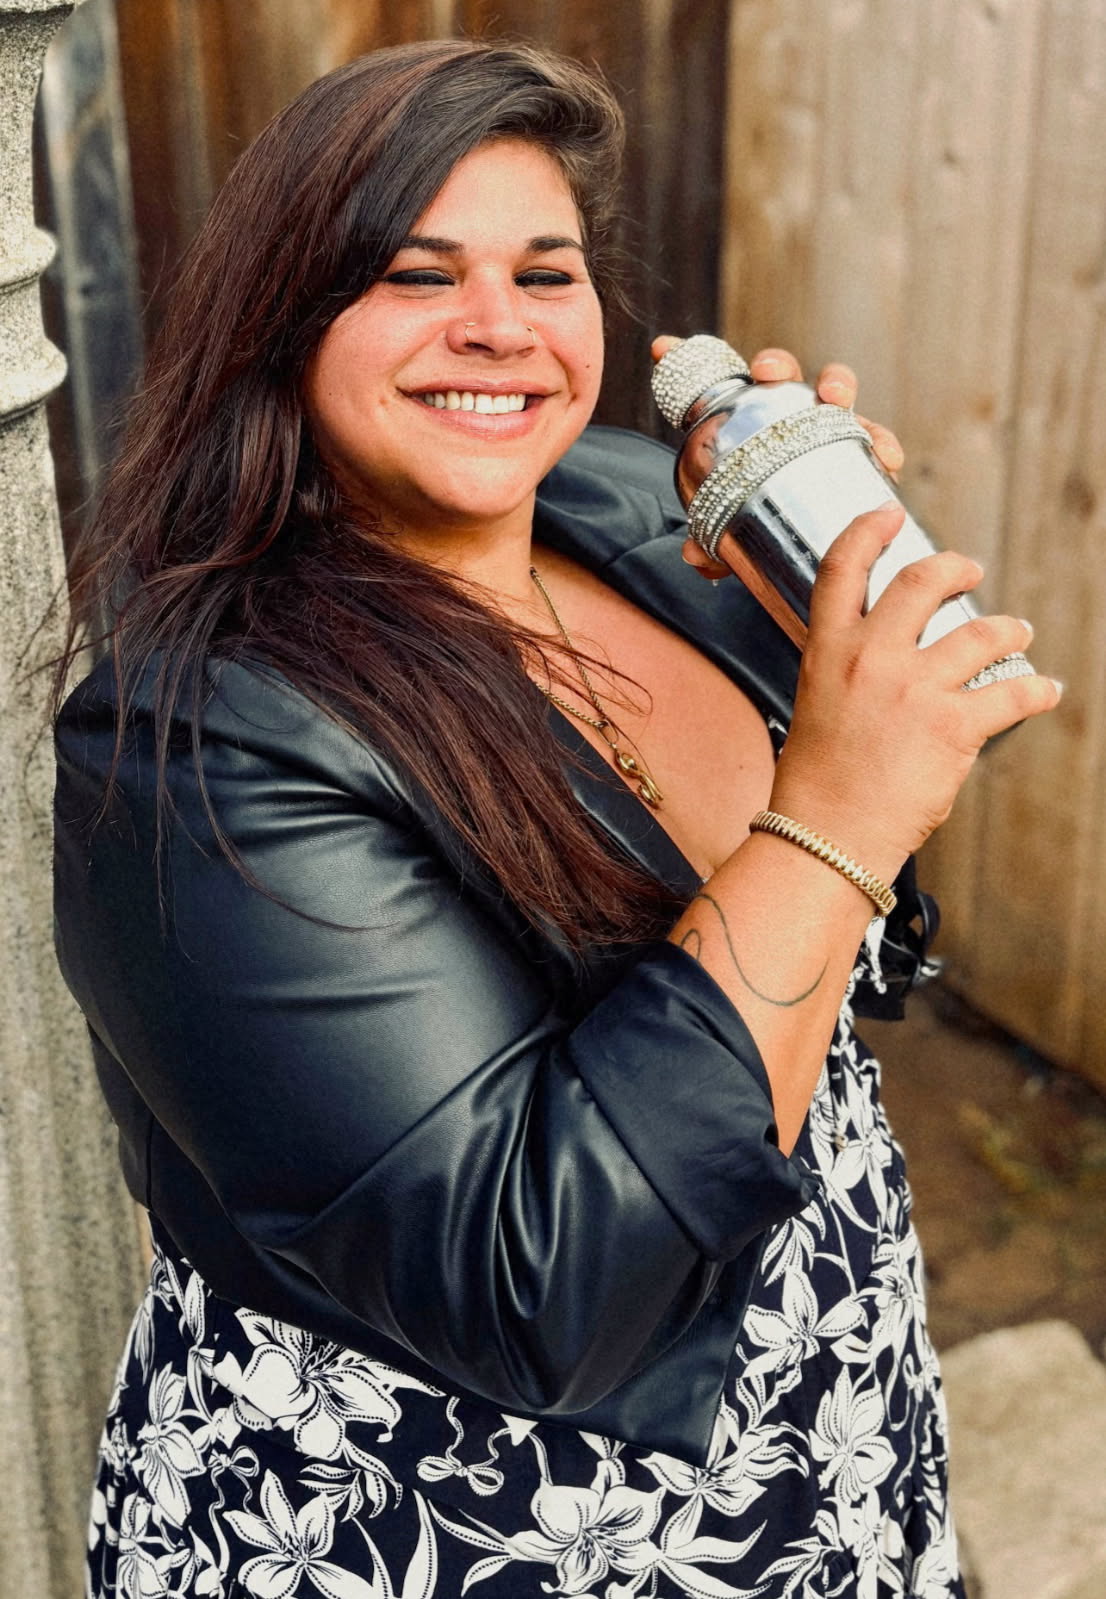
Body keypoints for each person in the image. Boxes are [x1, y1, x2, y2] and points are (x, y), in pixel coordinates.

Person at [52, 37, 1058, 1599]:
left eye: (546, 272)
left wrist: (814, 593)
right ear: (280, 319)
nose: (499, 326)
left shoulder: (630, 510)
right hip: (449, 1521)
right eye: (415, 274)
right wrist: (836, 812)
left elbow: (832, 926)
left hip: (823, 1415)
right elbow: (533, 1286)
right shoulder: (194, 744)